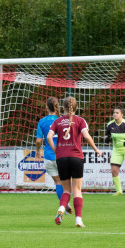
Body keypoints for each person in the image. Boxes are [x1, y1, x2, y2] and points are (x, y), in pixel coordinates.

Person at [47, 97, 102, 228]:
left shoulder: (58, 121)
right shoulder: (80, 120)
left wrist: (56, 151)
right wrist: (96, 149)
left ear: (63, 108)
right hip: (76, 157)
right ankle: (78, 220)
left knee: (66, 189)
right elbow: (87, 136)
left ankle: (61, 207)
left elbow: (49, 137)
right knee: (77, 190)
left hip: (61, 158)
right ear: (76, 108)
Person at [35, 97, 72, 214]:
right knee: (68, 181)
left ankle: (64, 205)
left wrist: (37, 150)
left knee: (57, 182)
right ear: (57, 107)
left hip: (49, 157)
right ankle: (65, 203)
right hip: (62, 155)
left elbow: (38, 141)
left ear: (46, 107)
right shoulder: (62, 120)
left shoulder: (42, 122)